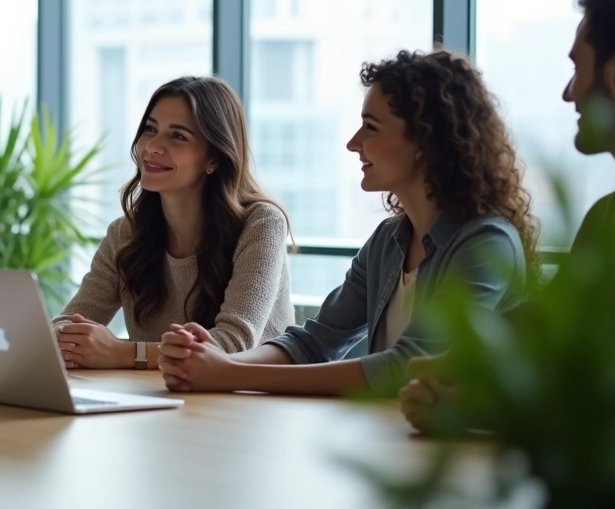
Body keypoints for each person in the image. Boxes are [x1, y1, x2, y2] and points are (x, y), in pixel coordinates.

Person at [159, 49, 538, 396]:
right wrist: (215, 361)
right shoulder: (389, 240)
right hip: (393, 435)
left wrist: (231, 374)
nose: (353, 143)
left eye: (370, 127)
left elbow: (408, 366)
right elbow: (314, 342)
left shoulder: (486, 243)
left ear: (425, 141)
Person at [401, 0, 615, 431]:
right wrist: (459, 379)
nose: (568, 92)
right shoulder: (605, 217)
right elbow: (547, 331)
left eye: (577, 68)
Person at [51, 76, 293, 370]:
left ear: (214, 158)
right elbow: (69, 320)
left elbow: (233, 343)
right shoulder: (125, 233)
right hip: (159, 393)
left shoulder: (261, 224)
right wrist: (67, 337)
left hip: (250, 396)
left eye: (177, 136)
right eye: (150, 129)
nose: (153, 146)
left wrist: (123, 353)